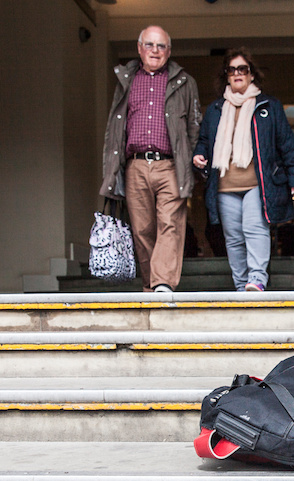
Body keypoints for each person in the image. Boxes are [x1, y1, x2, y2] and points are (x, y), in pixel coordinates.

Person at [193, 49, 294, 292]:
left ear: (251, 74)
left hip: (258, 184)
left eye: (242, 69)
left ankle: (257, 279)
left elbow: (286, 142)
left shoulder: (268, 106)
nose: (237, 74)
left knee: (254, 228)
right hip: (225, 185)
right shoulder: (215, 109)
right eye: (232, 70)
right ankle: (240, 284)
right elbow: (204, 140)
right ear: (226, 75)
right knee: (233, 237)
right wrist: (199, 154)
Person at [100, 25, 201, 293]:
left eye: (161, 46)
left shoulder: (185, 82)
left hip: (170, 165)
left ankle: (163, 283)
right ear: (139, 48)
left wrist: (190, 160)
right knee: (142, 229)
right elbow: (115, 126)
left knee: (170, 223)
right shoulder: (126, 80)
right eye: (149, 45)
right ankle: (150, 285)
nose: (155, 51)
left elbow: (194, 126)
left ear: (169, 51)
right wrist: (112, 169)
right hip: (134, 165)